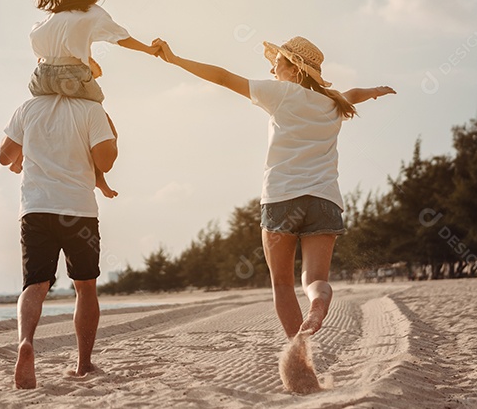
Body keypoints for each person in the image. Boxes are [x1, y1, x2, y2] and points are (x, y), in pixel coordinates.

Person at [151, 36, 395, 339]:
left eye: (277, 62)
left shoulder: (280, 93)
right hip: (324, 200)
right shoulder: (334, 102)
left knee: (281, 283)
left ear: (295, 69)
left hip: (282, 197)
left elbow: (224, 77)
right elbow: (353, 94)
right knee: (314, 279)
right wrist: (375, 92)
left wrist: (175, 59)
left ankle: (299, 357)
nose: (272, 70)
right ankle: (318, 300)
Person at [0, 92, 118, 389]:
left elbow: (4, 157)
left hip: (37, 209)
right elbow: (106, 160)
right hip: (78, 210)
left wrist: (25, 151)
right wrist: (110, 132)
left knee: (35, 284)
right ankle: (84, 364)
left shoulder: (27, 108)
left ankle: (26, 342)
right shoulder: (91, 109)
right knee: (85, 286)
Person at [14, 0, 161, 198]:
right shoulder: (92, 14)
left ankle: (19, 154)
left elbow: (45, 46)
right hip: (71, 77)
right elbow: (120, 37)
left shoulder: (51, 18)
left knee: (37, 119)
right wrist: (148, 50)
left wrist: (85, 60)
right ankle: (99, 178)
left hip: (41, 78)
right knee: (99, 121)